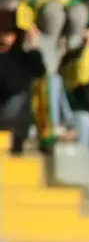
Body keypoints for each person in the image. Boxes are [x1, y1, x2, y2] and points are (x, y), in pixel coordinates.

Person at [0, 13, 47, 154]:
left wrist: (32, 44)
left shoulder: (23, 57)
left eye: (10, 31)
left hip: (17, 117)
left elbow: (40, 71)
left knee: (48, 83)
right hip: (5, 111)